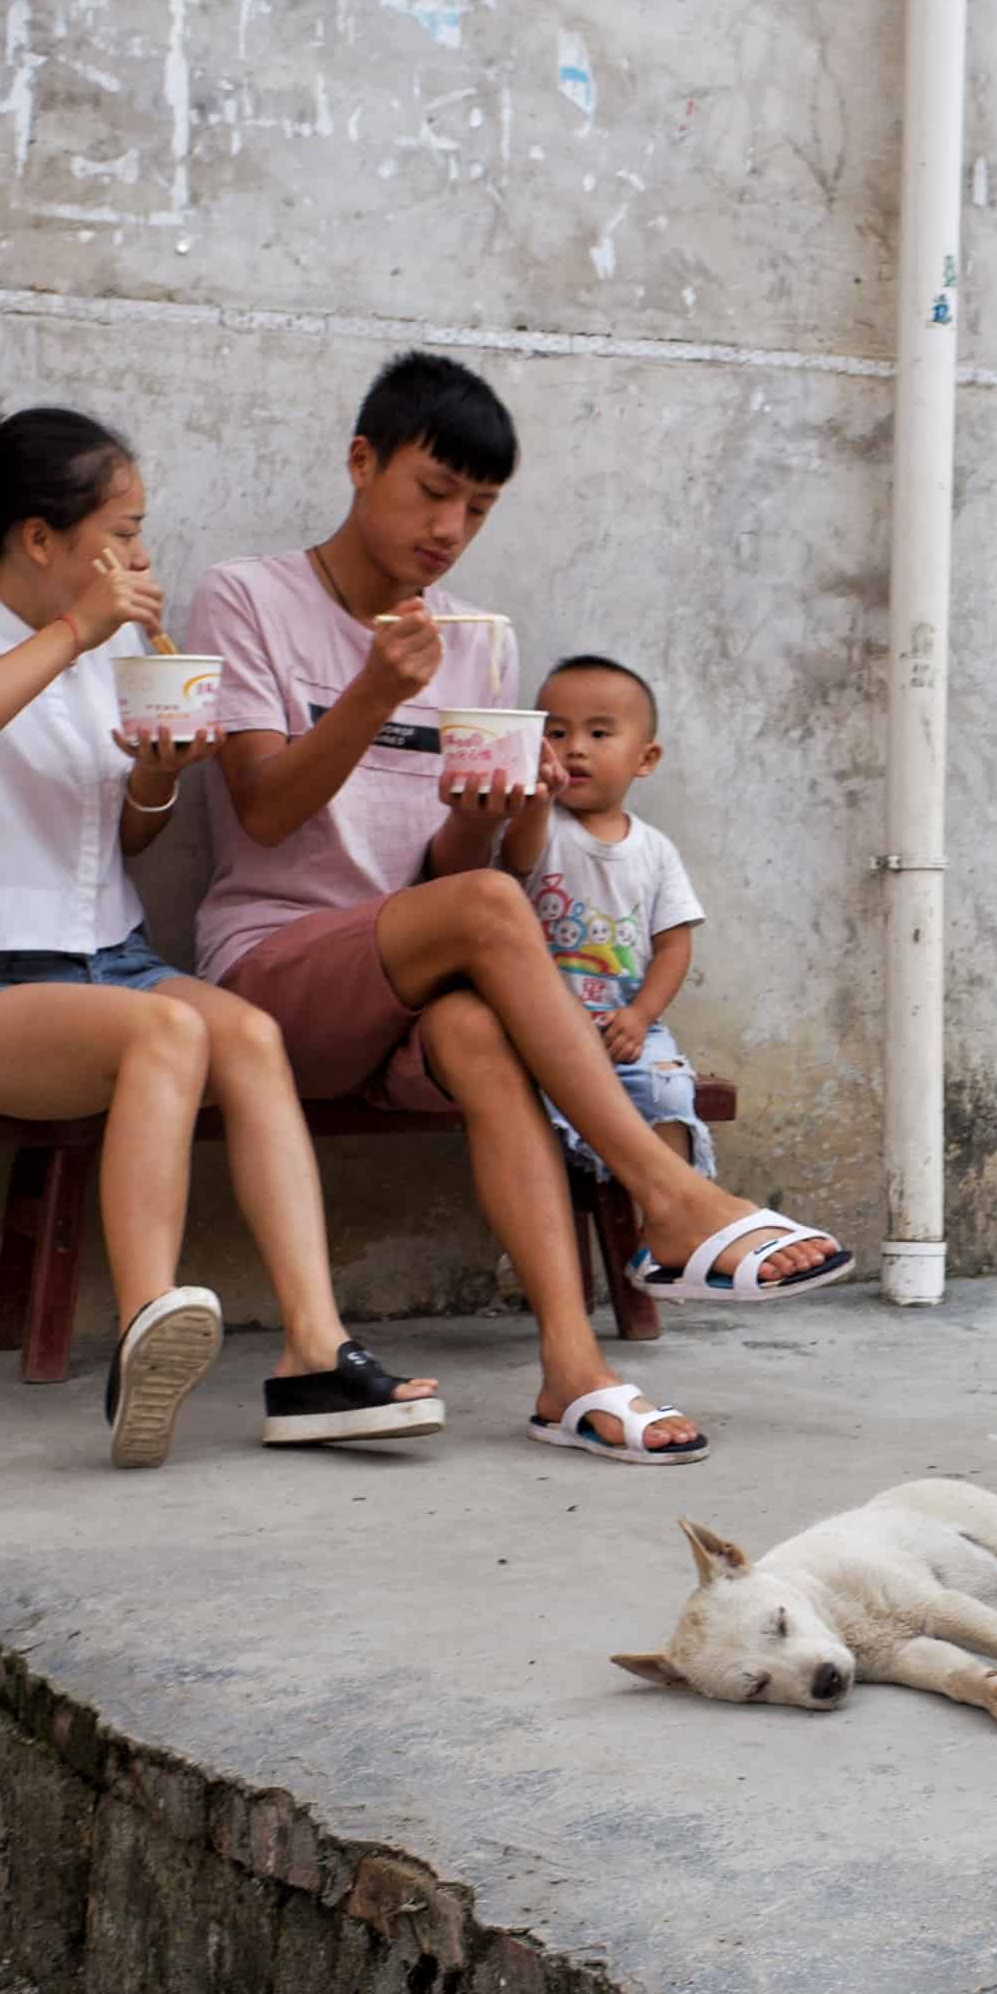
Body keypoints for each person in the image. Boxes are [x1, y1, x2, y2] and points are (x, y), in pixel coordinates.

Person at [177, 353, 848, 1473]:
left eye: (478, 508)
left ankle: (571, 1370)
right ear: (361, 461)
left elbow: (453, 866)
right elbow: (262, 804)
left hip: (421, 980)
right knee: (488, 908)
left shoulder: (476, 634)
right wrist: (377, 691)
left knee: (477, 1024)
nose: (450, 529)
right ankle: (668, 1194)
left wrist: (493, 814)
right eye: (433, 492)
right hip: (277, 974)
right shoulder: (246, 596)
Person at [0, 409, 445, 1469]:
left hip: (119, 960)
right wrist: (76, 632)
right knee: (167, 1032)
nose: (143, 558)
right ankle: (149, 1326)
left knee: (250, 1036)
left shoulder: (123, 653)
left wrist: (156, 773)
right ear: (40, 538)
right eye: (125, 532)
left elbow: (131, 838)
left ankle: (315, 1354)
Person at [500, 655, 719, 1191]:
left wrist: (642, 1015)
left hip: (625, 1028)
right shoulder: (540, 826)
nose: (575, 748)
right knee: (539, 1119)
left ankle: (669, 1215)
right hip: (541, 1032)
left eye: (599, 733)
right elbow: (517, 861)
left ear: (646, 758)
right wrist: (535, 800)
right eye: (557, 733)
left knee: (668, 1090)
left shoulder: (656, 851)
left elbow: (673, 947)